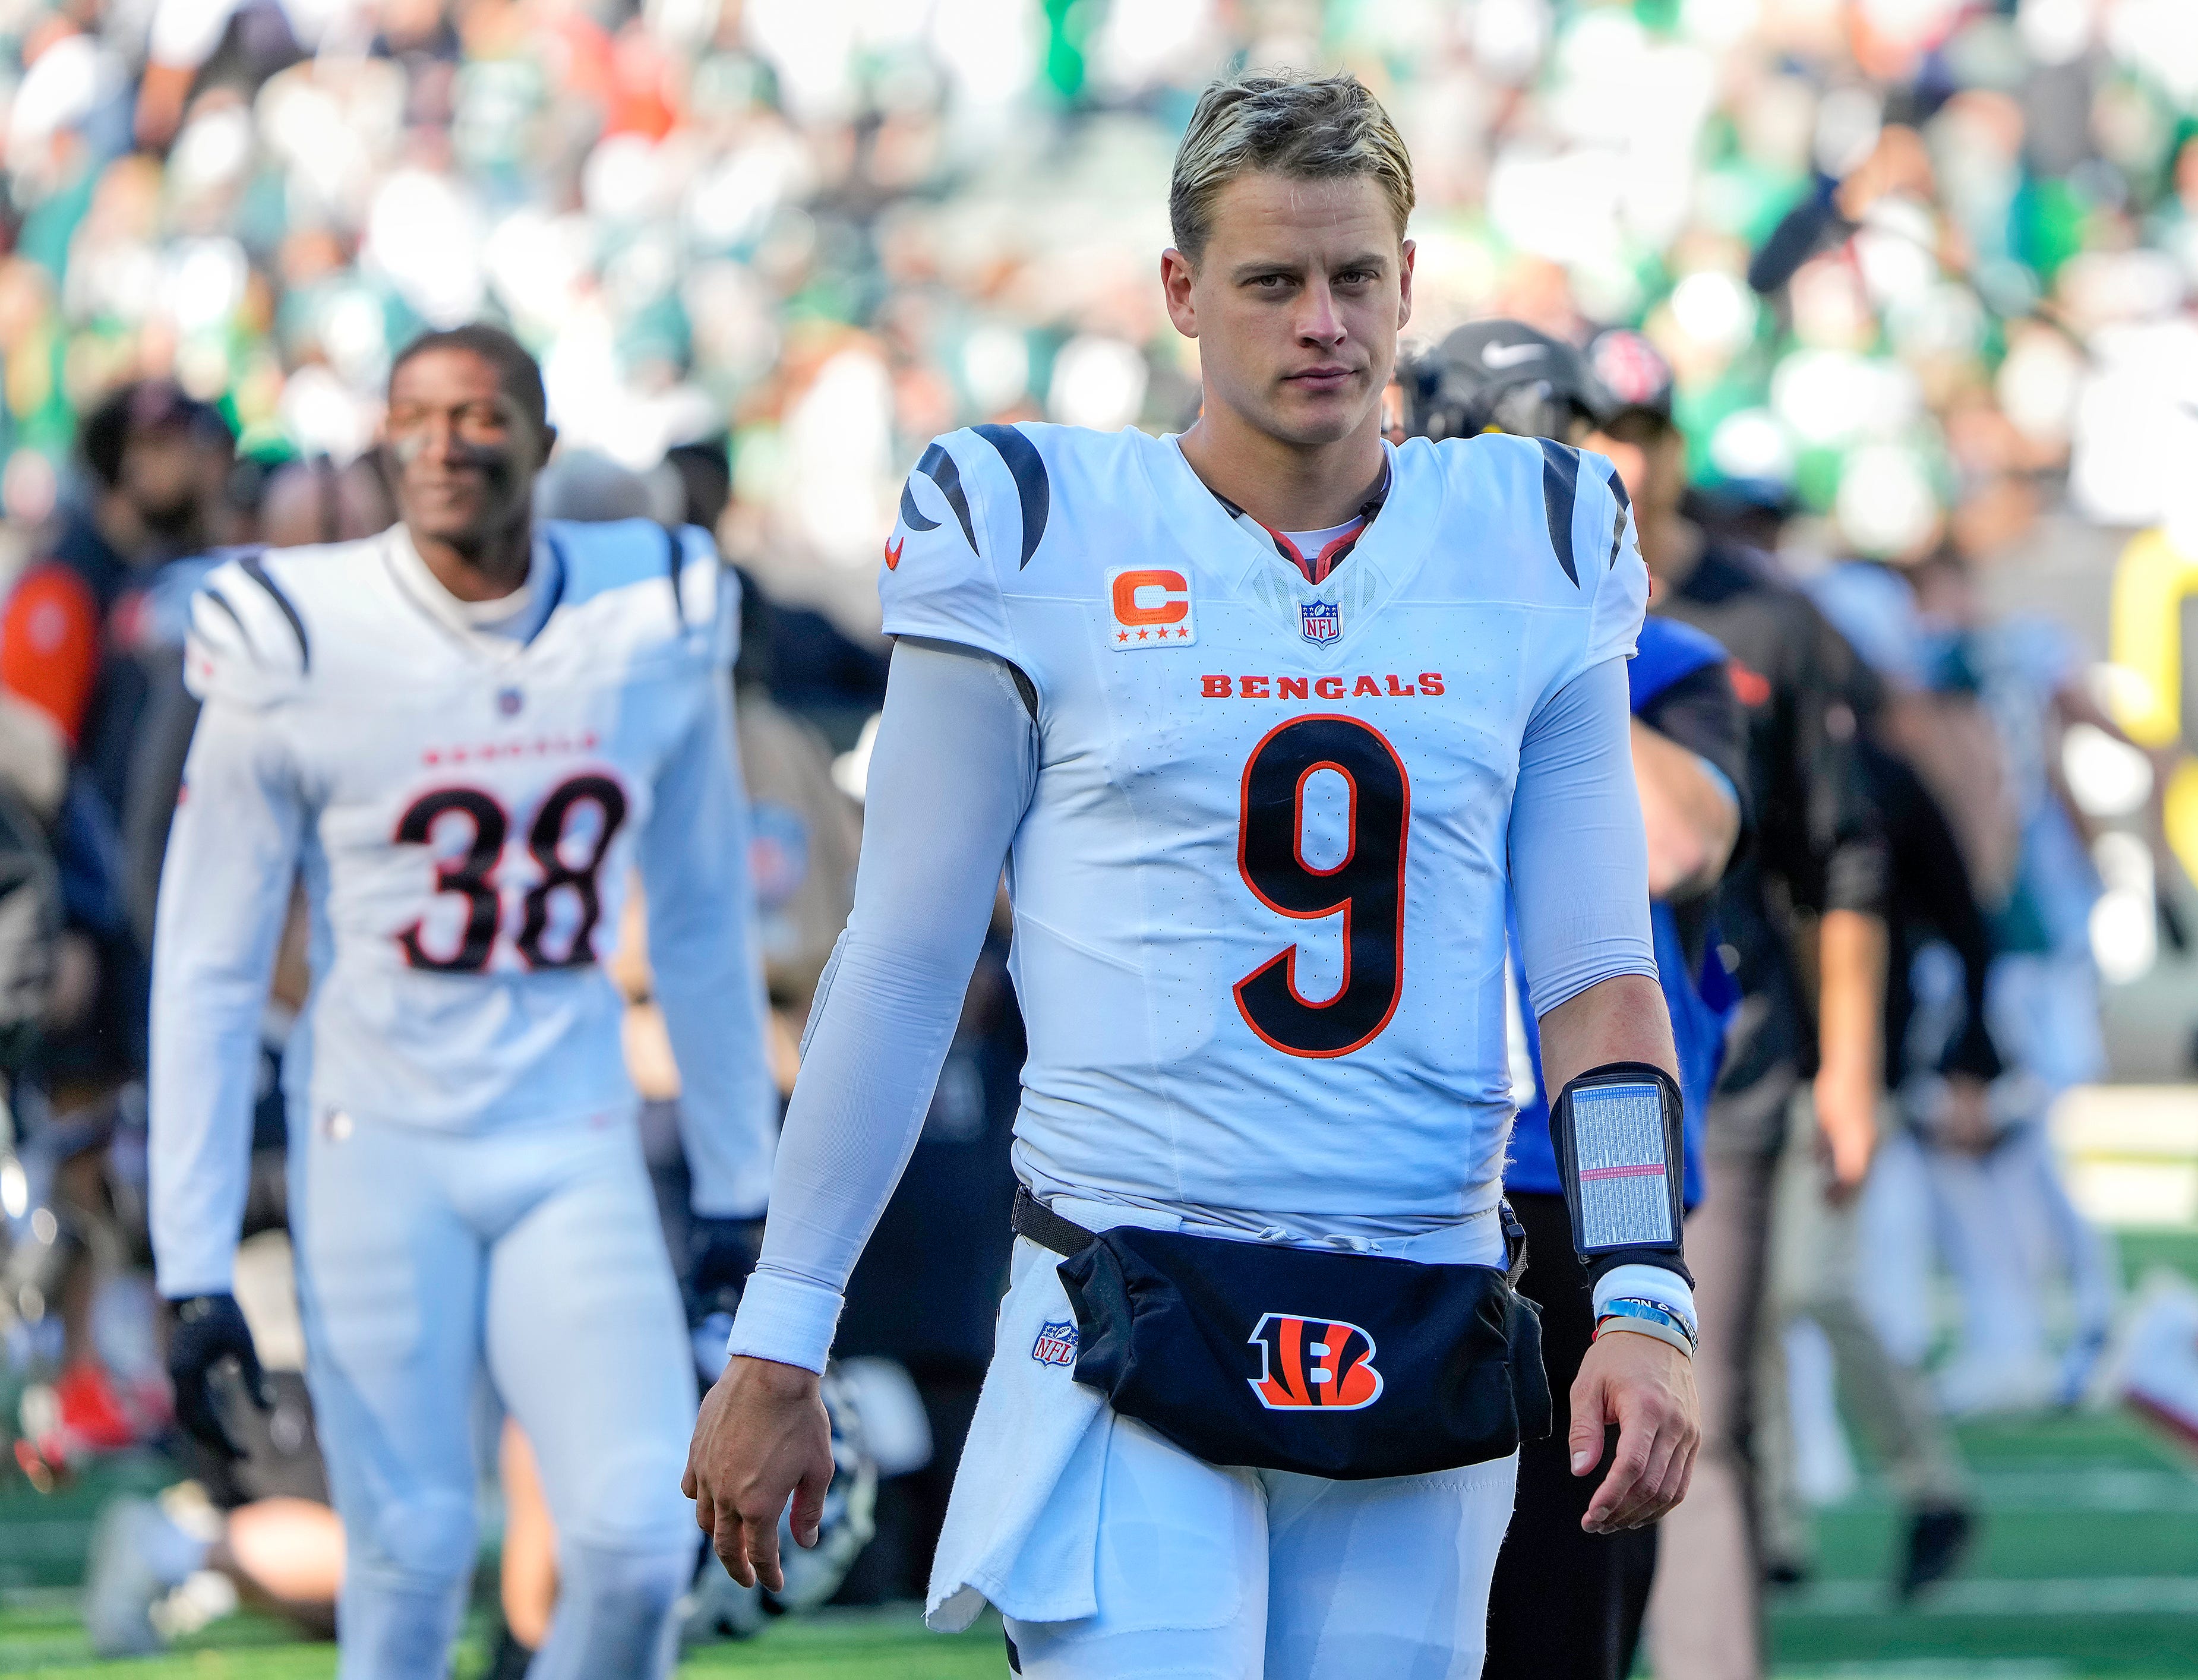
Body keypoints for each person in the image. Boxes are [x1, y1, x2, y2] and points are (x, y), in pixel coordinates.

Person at [686, 71, 1700, 1679]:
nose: (1322, 321)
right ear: (1179, 292)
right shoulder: (1033, 523)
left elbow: (1593, 976)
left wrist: (1641, 1284)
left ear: (1407, 282)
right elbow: (901, 958)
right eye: (1270, 279)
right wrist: (783, 1324)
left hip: (1418, 1289)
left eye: (1354, 276)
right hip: (1120, 1283)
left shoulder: (1537, 530)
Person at [147, 323, 779, 1679]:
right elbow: (206, 954)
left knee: (627, 1540)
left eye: (482, 416)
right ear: (382, 438)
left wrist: (743, 1186)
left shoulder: (650, 606)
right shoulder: (298, 626)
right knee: (415, 1540)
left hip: (571, 1125)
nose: (445, 444)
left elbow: (704, 922)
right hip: (375, 1136)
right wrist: (190, 1258)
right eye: (417, 414)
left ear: (541, 448)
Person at [1403, 320, 1748, 1680]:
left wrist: (1552, 632)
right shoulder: (1338, 628)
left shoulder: (1658, 662)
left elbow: (1674, 852)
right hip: (1378, 1179)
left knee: (1560, 1612)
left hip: (1576, 1180)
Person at [1585, 325, 1890, 1680]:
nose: (1615, 455)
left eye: (1636, 432)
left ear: (1671, 450)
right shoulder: (1470, 593)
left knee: (1680, 1374)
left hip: (1723, 1050)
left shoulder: (1758, 621)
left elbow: (1845, 858)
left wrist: (1849, 1068)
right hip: (1543, 1070)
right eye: (1585, 425)